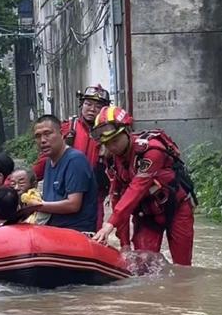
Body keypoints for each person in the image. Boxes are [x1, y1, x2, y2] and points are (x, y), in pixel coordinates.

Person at [92, 106, 196, 265]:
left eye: (115, 140)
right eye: (107, 143)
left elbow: (136, 189)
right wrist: (124, 243)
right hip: (146, 215)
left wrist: (109, 225)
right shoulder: (112, 159)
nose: (112, 147)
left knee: (183, 267)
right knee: (142, 264)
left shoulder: (151, 151)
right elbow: (116, 197)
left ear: (127, 131)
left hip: (177, 209)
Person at [32, 84, 111, 227]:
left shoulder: (109, 131)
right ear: (82, 105)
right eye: (88, 104)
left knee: (95, 225)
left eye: (98, 106)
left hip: (96, 187)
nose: (92, 109)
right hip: (67, 184)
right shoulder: (69, 127)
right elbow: (46, 156)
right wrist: (27, 178)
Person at [30, 114, 97, 232]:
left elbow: (73, 205)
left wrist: (39, 206)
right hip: (54, 230)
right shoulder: (49, 162)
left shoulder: (75, 160)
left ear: (61, 134)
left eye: (47, 134)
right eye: (38, 136)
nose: (43, 140)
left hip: (76, 232)